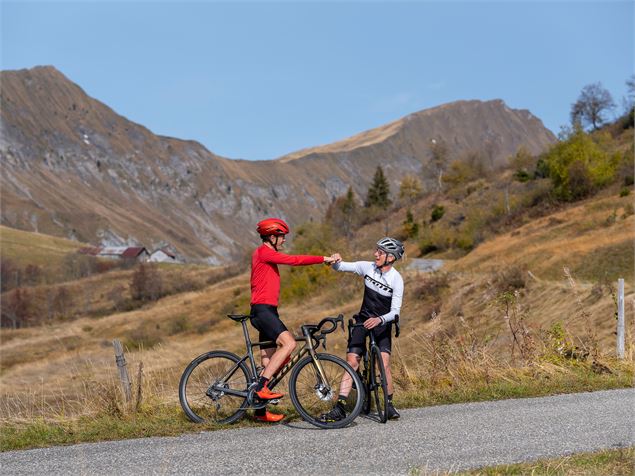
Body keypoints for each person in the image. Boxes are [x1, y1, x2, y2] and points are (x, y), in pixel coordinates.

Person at [250, 217, 338, 423]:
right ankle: (261, 387)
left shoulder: (264, 253)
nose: (283, 241)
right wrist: (323, 259)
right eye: (281, 237)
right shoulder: (264, 252)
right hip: (263, 311)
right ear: (271, 237)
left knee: (270, 359)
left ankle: (259, 412)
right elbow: (294, 260)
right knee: (289, 344)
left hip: (266, 311)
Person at [321, 237, 405, 422]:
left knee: (384, 364)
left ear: (390, 257)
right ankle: (340, 407)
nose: (376, 254)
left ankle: (389, 405)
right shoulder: (368, 267)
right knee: (352, 362)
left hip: (382, 324)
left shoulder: (396, 279)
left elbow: (395, 312)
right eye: (377, 250)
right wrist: (335, 260)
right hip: (362, 320)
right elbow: (341, 267)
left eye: (380, 252)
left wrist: (379, 320)